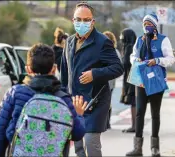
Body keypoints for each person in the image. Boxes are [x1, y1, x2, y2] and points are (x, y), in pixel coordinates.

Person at [0, 43, 87, 157]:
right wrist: (79, 115)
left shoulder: (16, 93)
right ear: (54, 69)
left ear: (28, 69)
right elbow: (77, 134)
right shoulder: (63, 98)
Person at [60, 2, 124, 157]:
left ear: (93, 21)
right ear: (73, 20)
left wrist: (95, 73)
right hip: (76, 102)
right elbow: (64, 72)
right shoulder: (68, 42)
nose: (82, 23)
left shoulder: (102, 42)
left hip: (95, 101)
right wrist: (64, 97)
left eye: (86, 19)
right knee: (78, 145)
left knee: (90, 141)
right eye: (78, 19)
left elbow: (118, 68)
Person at [126, 13, 175, 157]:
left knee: (155, 114)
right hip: (141, 81)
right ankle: (138, 148)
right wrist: (136, 59)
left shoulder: (163, 40)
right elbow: (132, 56)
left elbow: (170, 59)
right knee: (140, 112)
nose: (146, 26)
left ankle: (155, 148)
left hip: (156, 80)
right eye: (144, 23)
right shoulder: (139, 40)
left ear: (154, 25)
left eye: (149, 24)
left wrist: (157, 61)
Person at [103, 31, 122, 129]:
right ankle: (103, 123)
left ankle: (107, 123)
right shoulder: (98, 50)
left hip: (109, 82)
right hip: (100, 81)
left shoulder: (115, 51)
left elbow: (118, 68)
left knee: (107, 102)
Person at [119, 28, 137, 133]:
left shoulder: (129, 48)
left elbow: (125, 63)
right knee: (134, 102)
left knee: (133, 102)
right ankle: (135, 125)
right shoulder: (133, 46)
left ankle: (134, 126)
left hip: (132, 78)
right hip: (132, 77)